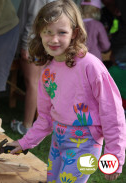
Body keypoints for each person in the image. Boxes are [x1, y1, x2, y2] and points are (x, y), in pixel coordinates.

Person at [7, 0, 126, 182]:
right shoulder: (48, 71)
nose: (54, 39)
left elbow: (113, 112)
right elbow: (45, 117)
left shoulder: (91, 66)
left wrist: (114, 155)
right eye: (48, 32)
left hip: (87, 144)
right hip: (58, 140)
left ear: (74, 33)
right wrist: (24, 143)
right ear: (39, 34)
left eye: (62, 32)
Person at [11, 0, 55, 135]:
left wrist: (25, 46)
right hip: (44, 42)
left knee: (33, 84)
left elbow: (34, 21)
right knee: (41, 84)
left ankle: (27, 125)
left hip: (35, 44)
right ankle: (43, 124)